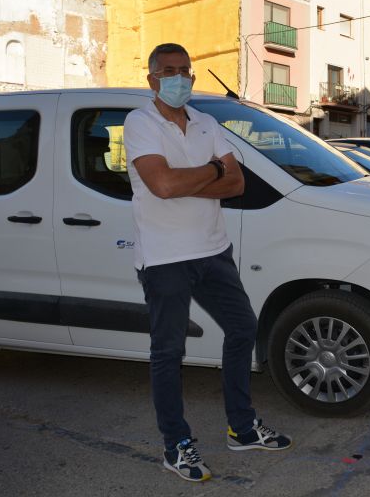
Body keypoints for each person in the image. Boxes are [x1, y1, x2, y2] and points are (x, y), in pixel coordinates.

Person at [123, 43, 292, 483]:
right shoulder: (139, 122)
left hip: (212, 250)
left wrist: (196, 179)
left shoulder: (207, 122)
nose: (179, 78)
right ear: (152, 78)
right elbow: (160, 184)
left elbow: (236, 183)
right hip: (164, 258)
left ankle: (242, 426)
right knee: (168, 351)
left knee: (242, 328)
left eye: (185, 70)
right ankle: (175, 444)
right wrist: (212, 172)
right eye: (169, 71)